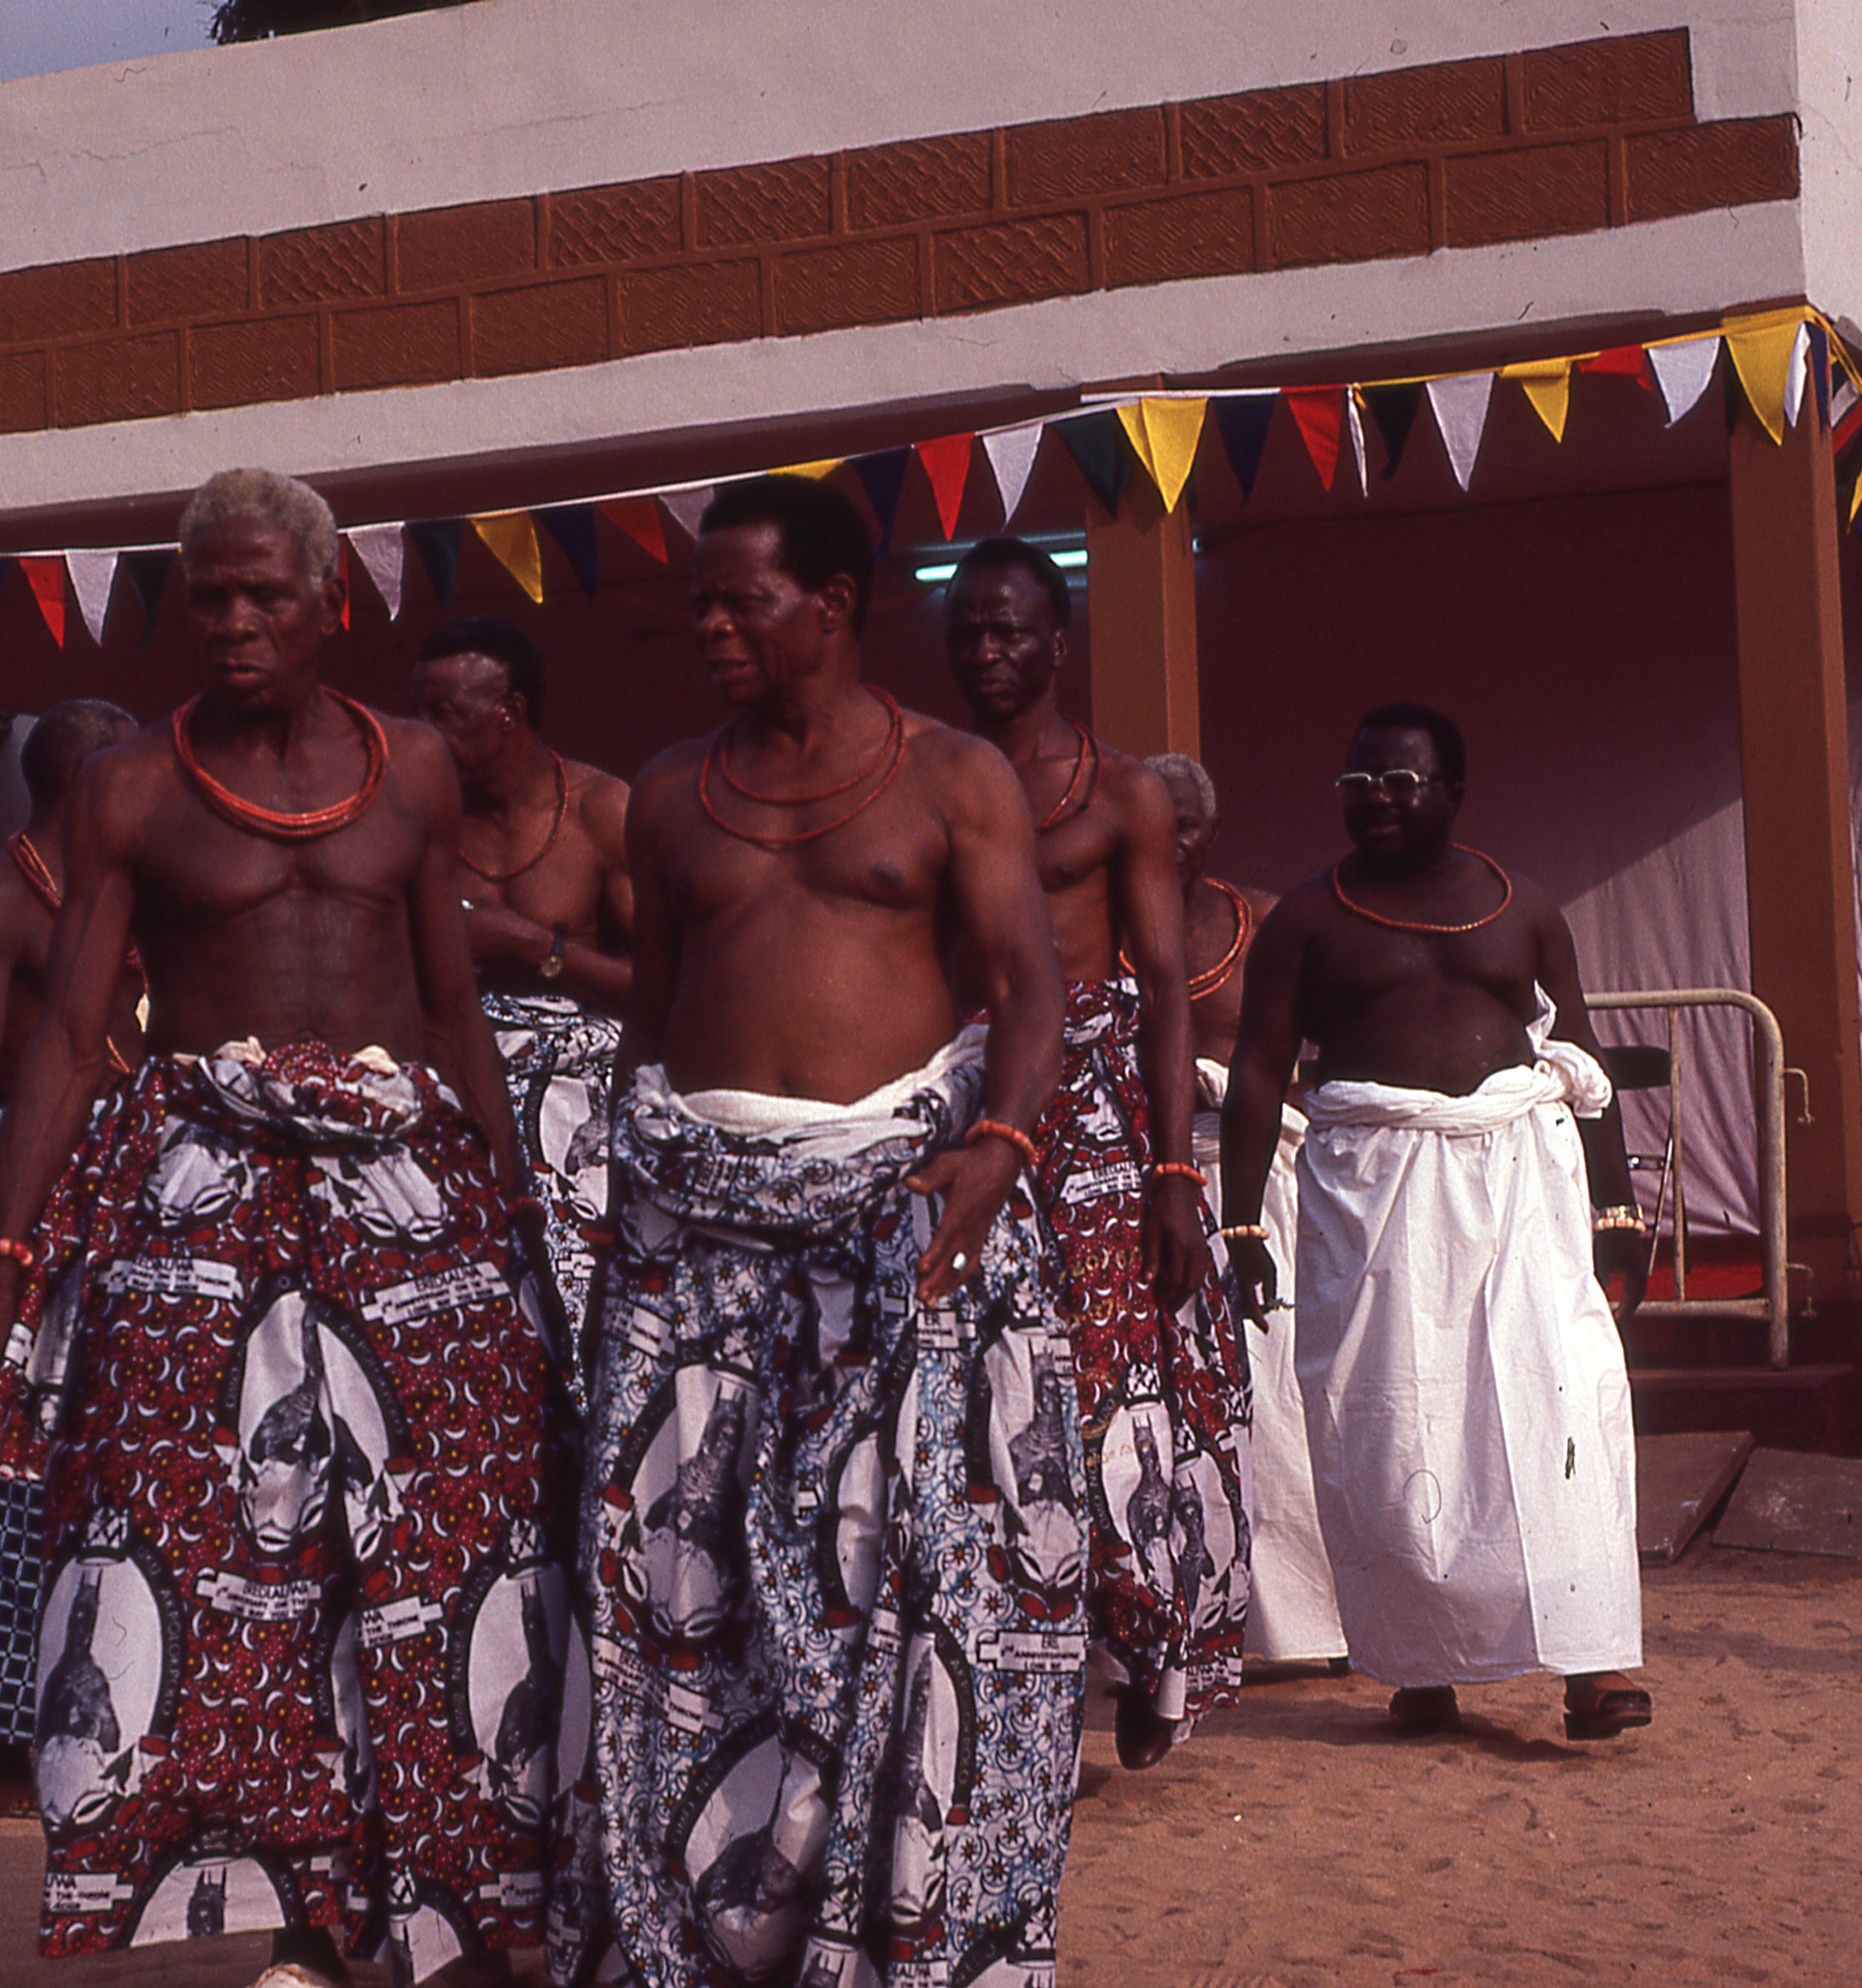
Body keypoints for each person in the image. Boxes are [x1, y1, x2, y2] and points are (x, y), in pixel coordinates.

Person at [0, 468, 559, 1985]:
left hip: (407, 1204)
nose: (229, 621)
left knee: (447, 1546)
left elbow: (450, 1009)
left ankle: (453, 1903)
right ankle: (296, 1910)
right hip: (199, 1206)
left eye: (261, 594)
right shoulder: (131, 789)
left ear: (328, 600)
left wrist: (509, 1210)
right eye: (205, 595)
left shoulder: (413, 767)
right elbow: (66, 1032)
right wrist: (0, 1263)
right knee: (212, 1550)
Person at [562, 477, 1076, 1988]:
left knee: (888, 1580)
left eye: (742, 603)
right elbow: (654, 1021)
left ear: (834, 605)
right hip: (695, 1239)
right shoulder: (669, 791)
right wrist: (623, 1212)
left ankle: (884, 1925)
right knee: (684, 1580)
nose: (710, 630)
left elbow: (1027, 990)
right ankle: (704, 1928)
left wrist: (998, 1145)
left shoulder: (954, 778)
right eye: (700, 606)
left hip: (897, 1220)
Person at [1219, 703, 1652, 1740]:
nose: (1373, 799)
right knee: (1391, 1425)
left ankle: (1591, 1664)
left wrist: (1615, 1208)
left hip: (1521, 1184)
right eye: (1356, 782)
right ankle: (1420, 1662)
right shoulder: (1305, 920)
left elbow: (1579, 1060)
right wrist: (1241, 1227)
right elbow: (1256, 1072)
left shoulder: (1523, 908)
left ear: (1452, 792)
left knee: (1565, 1405)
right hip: (1370, 1195)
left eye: (1399, 782)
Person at [941, 536, 1243, 1770]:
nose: (986, 651)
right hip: (966, 1100)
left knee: (1121, 1380)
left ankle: (1153, 1645)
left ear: (1055, 643)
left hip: (1097, 1113)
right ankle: (1025, 1665)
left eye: (1008, 630)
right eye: (966, 631)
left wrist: (1173, 1174)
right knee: (988, 1390)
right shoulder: (925, 780)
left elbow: (1163, 986)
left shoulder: (1118, 792)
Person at [0, 695, 137, 1814]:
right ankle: (6, 1733)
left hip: (129, 1184)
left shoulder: (139, 892)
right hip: (12, 1186)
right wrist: (7, 1224)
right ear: (83, 784)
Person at [1145, 751, 1344, 1670]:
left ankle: (1317, 1623)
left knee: (1285, 1393)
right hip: (1148, 1193)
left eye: (1184, 825)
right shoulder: (1089, 934)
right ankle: (1183, 1625)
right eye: (1151, 825)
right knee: (1172, 1408)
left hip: (1267, 1185)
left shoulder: (1265, 922)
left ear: (1212, 831)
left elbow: (1334, 1048)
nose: (1168, 843)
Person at [405, 616, 631, 1373]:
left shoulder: (601, 813)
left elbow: (674, 989)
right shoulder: (418, 827)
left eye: (444, 714)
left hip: (585, 1112)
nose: (423, 735)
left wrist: (537, 948)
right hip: (460, 1096)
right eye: (417, 712)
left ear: (510, 713)